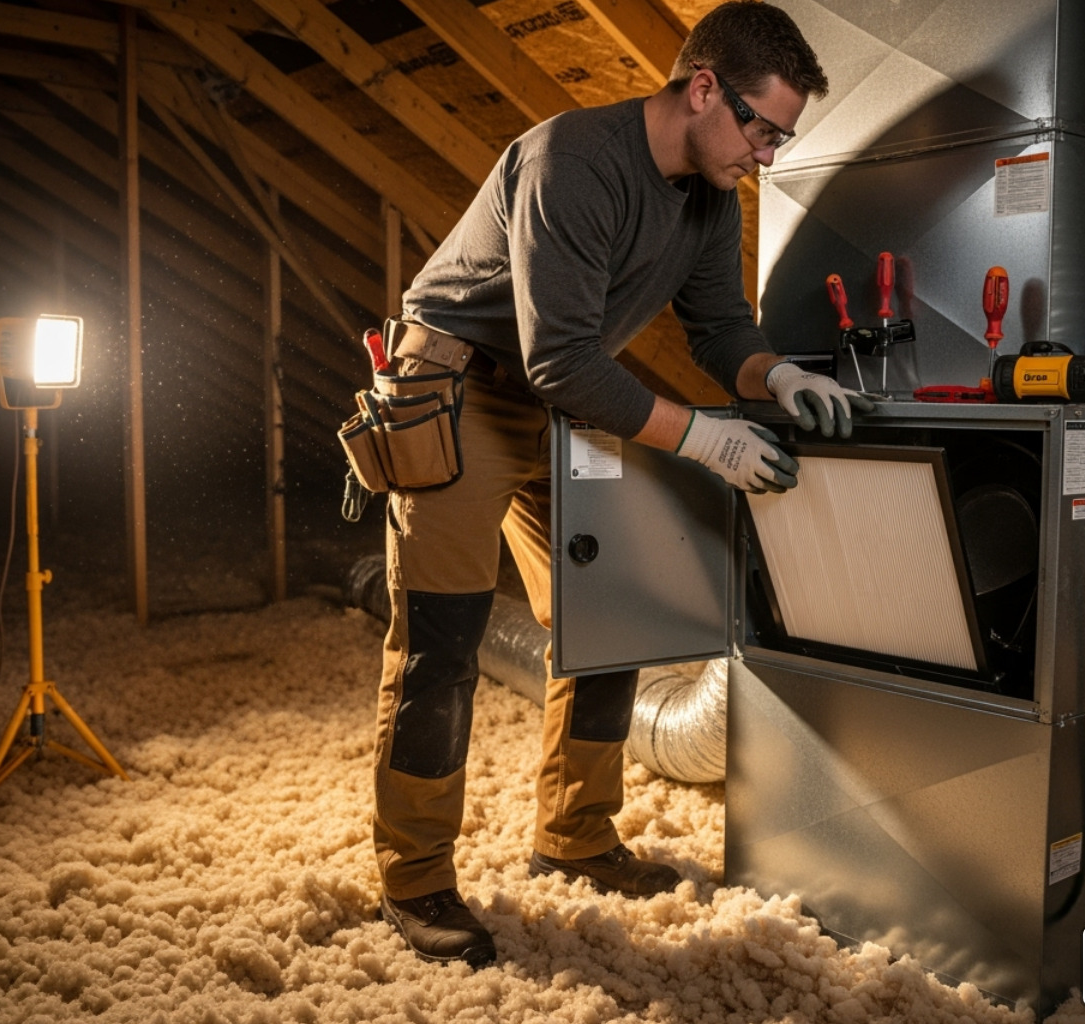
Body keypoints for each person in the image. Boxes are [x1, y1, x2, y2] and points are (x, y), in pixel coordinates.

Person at [371, 0, 872, 967]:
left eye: (780, 137)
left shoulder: (711, 196)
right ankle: (416, 877)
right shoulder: (572, 160)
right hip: (459, 387)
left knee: (609, 611)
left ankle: (576, 837)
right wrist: (706, 441)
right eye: (762, 128)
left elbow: (719, 331)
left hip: (561, 396)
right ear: (702, 89)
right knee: (442, 635)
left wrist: (779, 376)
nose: (767, 154)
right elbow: (559, 357)